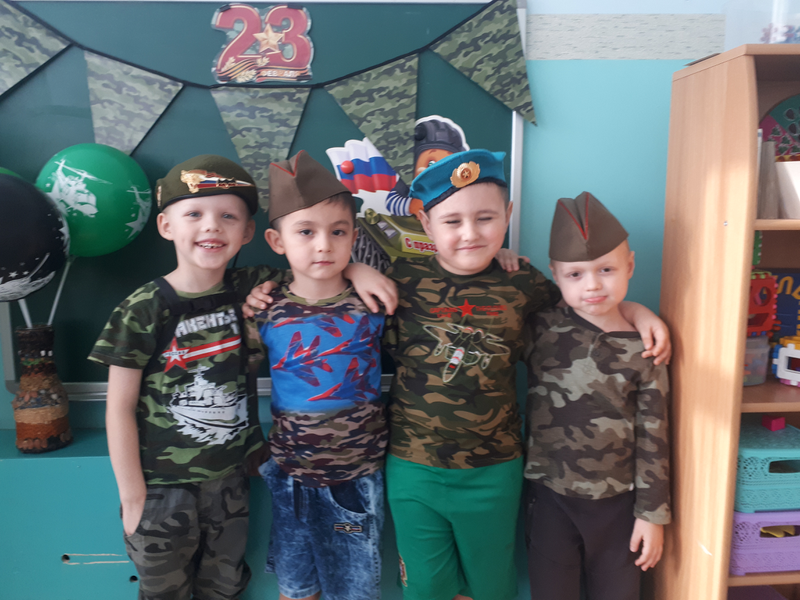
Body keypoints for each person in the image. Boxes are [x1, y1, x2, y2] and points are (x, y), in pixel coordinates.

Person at [245, 150, 670, 600]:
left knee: (491, 584)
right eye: (452, 221)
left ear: (508, 215)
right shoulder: (400, 279)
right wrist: (354, 267)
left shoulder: (523, 282)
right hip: (413, 464)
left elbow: (585, 303)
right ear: (426, 224)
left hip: (495, 467)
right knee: (426, 587)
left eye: (485, 218)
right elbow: (321, 280)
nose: (470, 233)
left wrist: (635, 312)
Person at [253, 151, 389, 600]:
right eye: (306, 232)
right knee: (295, 587)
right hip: (290, 477)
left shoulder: (373, 304)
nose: (324, 245)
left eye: (338, 232)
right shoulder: (264, 309)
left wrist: (359, 268)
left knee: (352, 589)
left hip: (355, 480)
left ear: (354, 236)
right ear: (276, 240)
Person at [523, 192, 671, 600]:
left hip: (619, 506)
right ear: (555, 274)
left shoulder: (645, 347)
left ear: (630, 266)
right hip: (549, 499)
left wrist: (652, 515)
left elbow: (654, 435)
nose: (592, 285)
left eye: (606, 269)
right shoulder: (541, 328)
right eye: (575, 274)